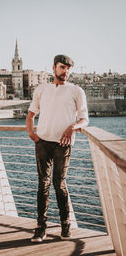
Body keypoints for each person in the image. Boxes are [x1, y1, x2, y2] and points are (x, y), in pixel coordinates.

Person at [26, 54, 89, 242]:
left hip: (63, 144)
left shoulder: (76, 91)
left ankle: (65, 224)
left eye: (68, 68)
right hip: (43, 142)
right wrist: (32, 134)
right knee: (42, 185)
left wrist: (73, 127)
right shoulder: (42, 89)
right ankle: (40, 227)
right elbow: (30, 115)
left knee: (59, 184)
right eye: (62, 67)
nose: (66, 71)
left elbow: (85, 119)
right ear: (53, 68)